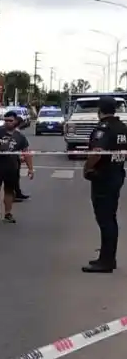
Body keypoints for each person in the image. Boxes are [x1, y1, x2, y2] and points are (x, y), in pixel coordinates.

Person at [81, 96, 127, 273]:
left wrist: (87, 168)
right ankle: (107, 258)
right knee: (110, 218)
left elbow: (97, 152)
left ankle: (106, 262)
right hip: (116, 174)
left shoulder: (103, 129)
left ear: (100, 109)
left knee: (105, 220)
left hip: (103, 177)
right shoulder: (122, 128)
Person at [0, 110, 34, 223]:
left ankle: (8, 213)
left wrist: (30, 169)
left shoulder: (20, 137)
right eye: (6, 121)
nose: (8, 123)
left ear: (15, 121)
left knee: (9, 190)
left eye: (10, 121)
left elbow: (26, 153)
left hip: (12, 166)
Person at [12, 114, 30, 202]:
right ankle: (14, 194)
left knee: (16, 177)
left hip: (15, 158)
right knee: (14, 177)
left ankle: (17, 192)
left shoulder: (17, 132)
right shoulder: (17, 133)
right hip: (13, 159)